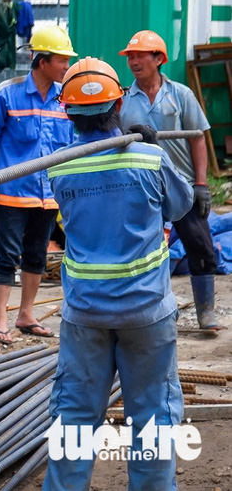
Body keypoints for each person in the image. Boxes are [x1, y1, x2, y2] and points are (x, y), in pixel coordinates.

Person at [44, 57, 193, 490]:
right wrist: (145, 145)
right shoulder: (148, 158)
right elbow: (180, 206)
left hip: (85, 311)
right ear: (120, 103)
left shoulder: (59, 167)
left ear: (66, 110)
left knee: (73, 419)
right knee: (153, 417)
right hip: (146, 311)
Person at [0, 25, 76, 344]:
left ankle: (26, 314)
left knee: (36, 255)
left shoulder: (66, 100)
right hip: (11, 194)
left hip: (48, 197)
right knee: (6, 256)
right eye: (62, 61)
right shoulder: (7, 93)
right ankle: (2, 319)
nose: (66, 67)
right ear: (42, 61)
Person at [119, 30, 221, 330]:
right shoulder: (123, 100)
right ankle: (144, 310)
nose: (134, 62)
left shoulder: (180, 95)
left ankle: (205, 311)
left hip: (180, 185)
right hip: (140, 187)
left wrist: (200, 184)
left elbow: (198, 140)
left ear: (158, 59)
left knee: (200, 245)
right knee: (140, 250)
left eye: (140, 56)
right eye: (130, 57)